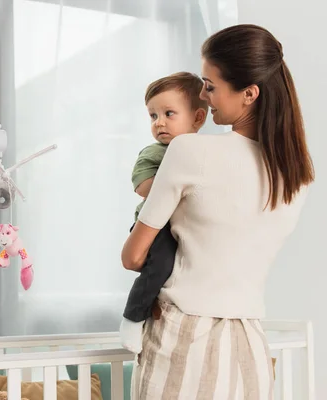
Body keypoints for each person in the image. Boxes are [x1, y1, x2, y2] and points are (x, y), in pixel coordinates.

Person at [121, 24, 314, 399]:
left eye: (210, 86)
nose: (204, 97)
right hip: (250, 344)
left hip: (183, 339)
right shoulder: (298, 173)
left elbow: (133, 257)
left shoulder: (190, 151)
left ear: (249, 94)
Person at [119, 72, 208, 354]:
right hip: (156, 227)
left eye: (169, 113)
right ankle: (132, 317)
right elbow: (143, 187)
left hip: (188, 225)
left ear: (197, 118)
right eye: (153, 116)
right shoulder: (155, 153)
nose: (159, 123)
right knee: (160, 265)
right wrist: (177, 179)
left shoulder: (204, 152)